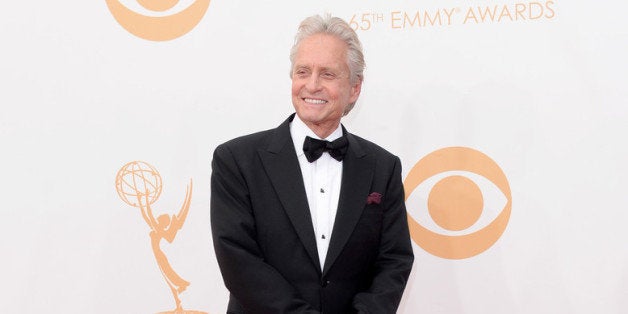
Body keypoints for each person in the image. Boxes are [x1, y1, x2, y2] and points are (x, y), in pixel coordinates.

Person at [211, 14, 414, 314]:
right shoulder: (237, 160)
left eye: (328, 74)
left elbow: (394, 260)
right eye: (303, 71)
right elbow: (238, 259)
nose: (312, 85)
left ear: (355, 88)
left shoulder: (382, 168)